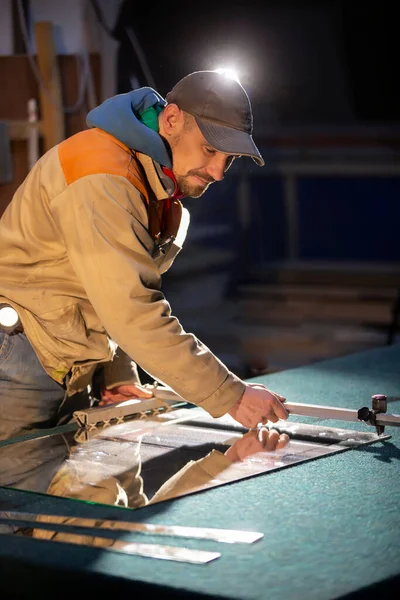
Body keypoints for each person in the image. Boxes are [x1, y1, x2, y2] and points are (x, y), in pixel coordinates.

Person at [0, 70, 289, 441]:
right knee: (14, 493)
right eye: (210, 149)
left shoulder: (156, 183)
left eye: (229, 158)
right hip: (18, 364)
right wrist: (232, 396)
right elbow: (131, 310)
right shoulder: (104, 175)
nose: (218, 172)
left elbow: (104, 290)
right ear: (171, 120)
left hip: (67, 364)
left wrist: (117, 374)